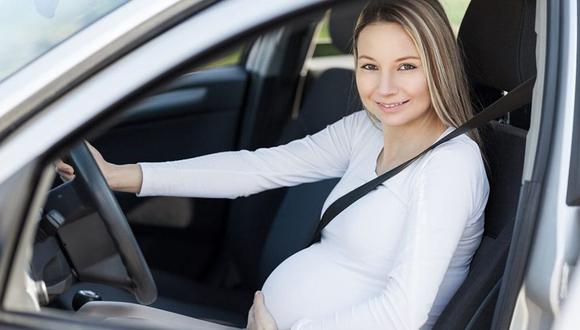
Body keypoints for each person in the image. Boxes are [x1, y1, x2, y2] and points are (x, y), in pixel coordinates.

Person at [57, 0, 489, 329]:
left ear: (438, 65)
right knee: (90, 311)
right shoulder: (367, 129)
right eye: (369, 67)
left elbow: (402, 315)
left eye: (407, 66)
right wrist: (121, 175)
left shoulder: (450, 164)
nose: (385, 87)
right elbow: (259, 168)